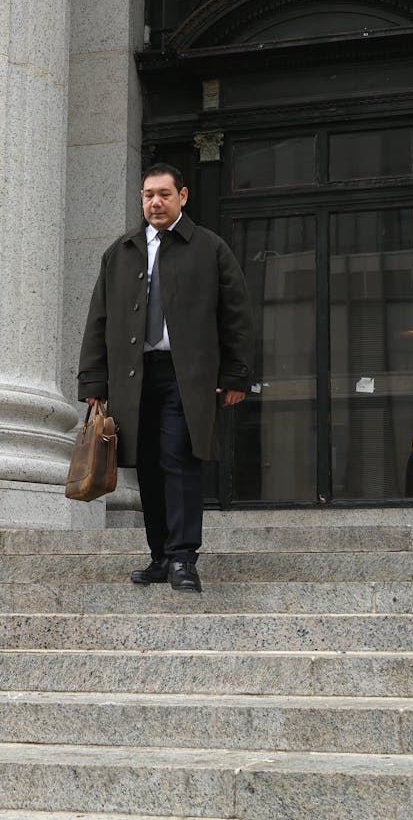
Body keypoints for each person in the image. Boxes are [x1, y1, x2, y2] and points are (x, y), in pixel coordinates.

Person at [78, 163, 253, 592]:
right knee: (149, 468)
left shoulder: (209, 248)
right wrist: (93, 384)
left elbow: (237, 316)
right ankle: (160, 555)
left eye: (164, 194)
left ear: (183, 196)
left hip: (185, 376)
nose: (155, 202)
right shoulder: (121, 252)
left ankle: (182, 558)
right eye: (147, 195)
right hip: (133, 379)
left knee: (179, 459)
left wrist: (235, 374)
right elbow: (98, 320)